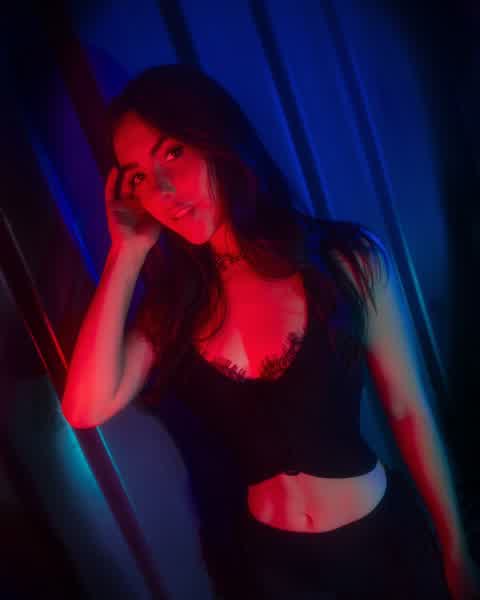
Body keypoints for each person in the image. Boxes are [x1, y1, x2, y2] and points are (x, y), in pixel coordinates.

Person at [61, 64, 479, 599]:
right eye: (138, 176)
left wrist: (455, 546)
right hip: (273, 570)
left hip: (383, 547)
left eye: (173, 152)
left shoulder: (346, 259)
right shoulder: (174, 307)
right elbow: (84, 409)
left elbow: (407, 409)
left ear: (216, 139)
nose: (162, 190)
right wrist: (126, 253)